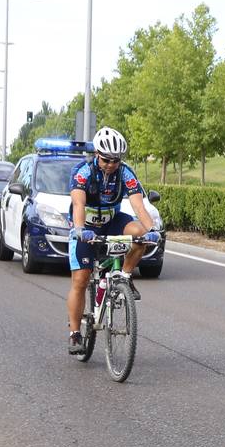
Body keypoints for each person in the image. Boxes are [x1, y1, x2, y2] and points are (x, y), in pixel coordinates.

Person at [66, 126, 160, 355]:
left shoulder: (125, 172)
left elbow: (138, 204)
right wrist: (80, 229)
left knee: (139, 236)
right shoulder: (83, 171)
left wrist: (153, 229)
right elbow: (78, 203)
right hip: (86, 224)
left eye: (116, 160)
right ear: (97, 154)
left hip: (112, 219)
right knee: (81, 278)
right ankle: (75, 333)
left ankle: (124, 277)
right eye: (107, 159)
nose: (111, 164)